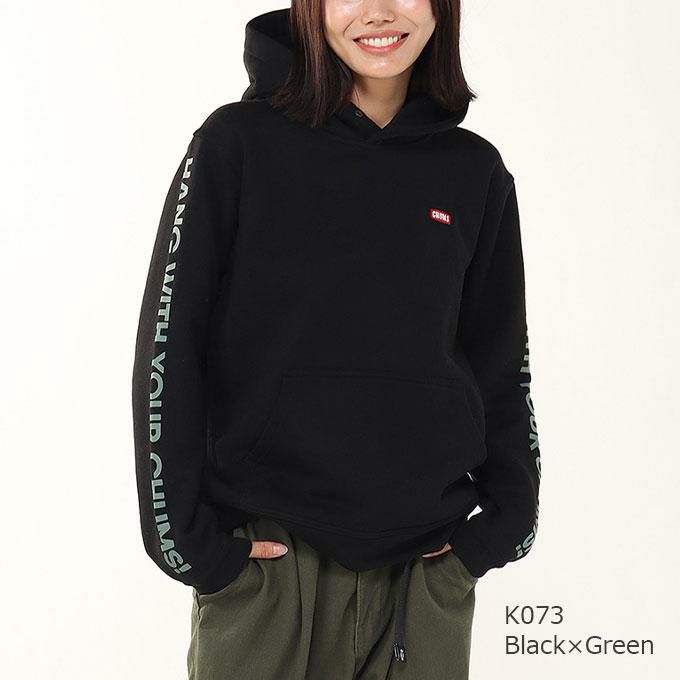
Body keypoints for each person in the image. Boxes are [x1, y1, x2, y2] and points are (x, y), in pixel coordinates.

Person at [131, 2, 542, 678]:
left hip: (425, 573)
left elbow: (501, 362)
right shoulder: (237, 144)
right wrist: (186, 546)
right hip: (267, 567)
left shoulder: (475, 171)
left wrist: (504, 527)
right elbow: (170, 350)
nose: (377, 12)